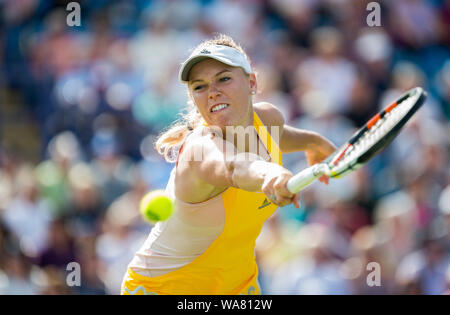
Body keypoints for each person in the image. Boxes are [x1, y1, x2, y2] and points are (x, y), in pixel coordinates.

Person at [121, 34, 336, 295]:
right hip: (164, 289)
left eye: (223, 78)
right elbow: (235, 166)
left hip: (236, 287)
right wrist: (270, 173)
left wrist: (314, 142)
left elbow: (279, 137)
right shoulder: (201, 149)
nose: (212, 92)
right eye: (199, 86)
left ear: (252, 82)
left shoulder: (267, 119)